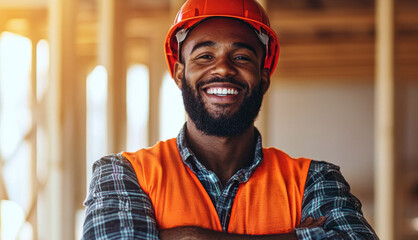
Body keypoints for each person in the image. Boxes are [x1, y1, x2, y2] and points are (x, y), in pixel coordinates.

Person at [82, 0, 378, 239]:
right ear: (179, 74)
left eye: (242, 57)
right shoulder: (124, 175)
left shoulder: (314, 180)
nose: (223, 69)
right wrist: (298, 236)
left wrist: (192, 237)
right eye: (205, 56)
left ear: (263, 78)